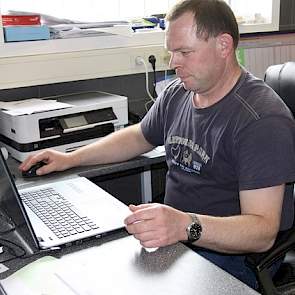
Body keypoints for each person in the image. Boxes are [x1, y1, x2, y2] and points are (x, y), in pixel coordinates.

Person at [19, 0, 295, 289]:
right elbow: (140, 136)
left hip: (234, 254)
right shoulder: (179, 92)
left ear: (224, 46)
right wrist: (71, 158)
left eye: (184, 52)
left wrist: (184, 225)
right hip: (179, 238)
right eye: (171, 52)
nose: (174, 63)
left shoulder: (261, 120)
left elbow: (261, 232)